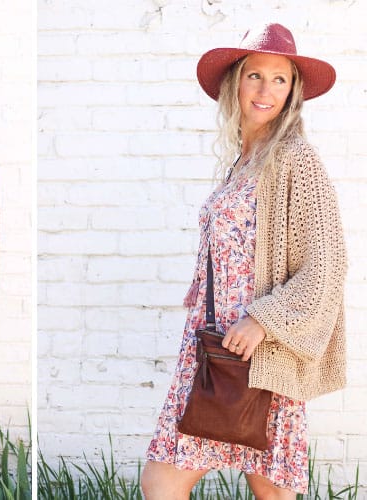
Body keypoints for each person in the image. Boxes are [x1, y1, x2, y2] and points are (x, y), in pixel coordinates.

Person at [141, 23, 346, 498]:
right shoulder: (244, 161)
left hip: (266, 351)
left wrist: (262, 322)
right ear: (235, 81)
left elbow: (328, 265)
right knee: (162, 480)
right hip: (215, 350)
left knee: (271, 491)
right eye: (255, 75)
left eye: (280, 79)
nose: (266, 90)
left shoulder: (297, 161)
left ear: (293, 90)